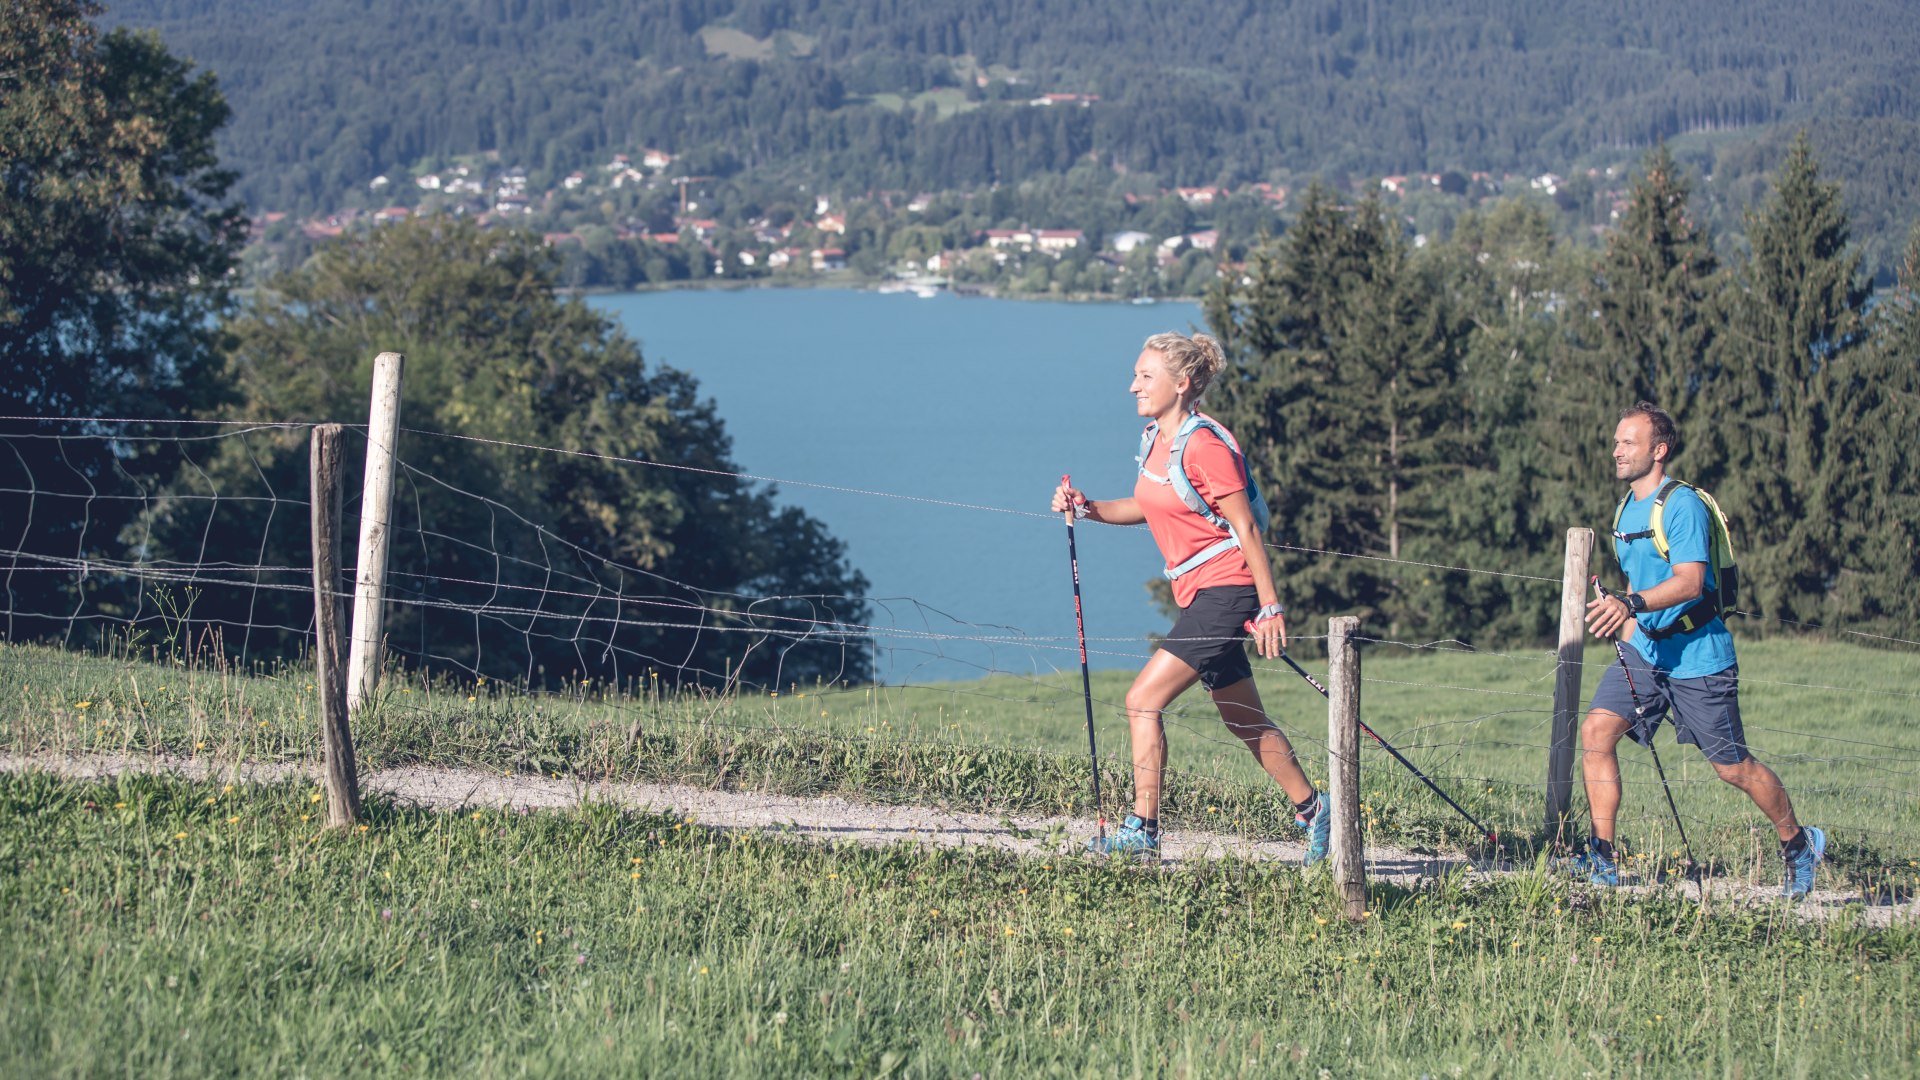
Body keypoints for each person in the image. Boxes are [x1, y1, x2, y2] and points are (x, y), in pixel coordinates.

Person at [1049, 331, 1329, 863]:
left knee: (1141, 700)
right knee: (1242, 717)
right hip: (1200, 591)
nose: (1133, 385)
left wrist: (1269, 607)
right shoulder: (1157, 437)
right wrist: (1087, 508)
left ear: (1181, 384)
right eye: (1135, 374)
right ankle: (1319, 812)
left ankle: (1142, 831)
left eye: (1145, 376)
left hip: (1228, 590)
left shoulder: (1206, 445)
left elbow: (1246, 529)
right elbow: (1147, 504)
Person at [1577, 401, 1825, 896]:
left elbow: (1690, 583)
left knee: (1733, 767)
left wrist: (1630, 602)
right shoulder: (1626, 509)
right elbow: (1639, 582)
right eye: (1616, 442)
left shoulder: (1682, 505)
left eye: (1628, 442)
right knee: (1596, 732)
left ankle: (1799, 843)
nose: (1616, 451)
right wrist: (1618, 612)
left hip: (1699, 655)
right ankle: (1601, 857)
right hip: (1646, 651)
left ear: (1659, 449)